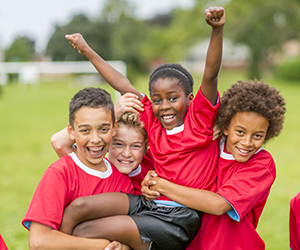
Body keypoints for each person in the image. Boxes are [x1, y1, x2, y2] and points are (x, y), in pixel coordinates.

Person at [58, 6, 225, 250]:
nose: (164, 106)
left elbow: (210, 74)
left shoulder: (199, 123)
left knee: (86, 230)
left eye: (172, 98)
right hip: (148, 203)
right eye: (157, 100)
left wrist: (217, 30)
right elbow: (123, 85)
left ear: (190, 99)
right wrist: (86, 50)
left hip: (179, 218)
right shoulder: (154, 125)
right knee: (78, 209)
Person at [142, 79, 286, 250]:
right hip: (191, 243)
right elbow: (162, 164)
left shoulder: (262, 164)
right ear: (225, 127)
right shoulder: (208, 144)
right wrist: (149, 182)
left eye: (257, 136)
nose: (247, 142)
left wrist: (162, 186)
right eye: (240, 132)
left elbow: (219, 205)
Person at [22, 87, 133, 250]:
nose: (95, 139)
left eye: (103, 129)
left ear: (114, 128)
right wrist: (102, 246)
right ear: (71, 132)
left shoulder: (123, 181)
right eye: (85, 130)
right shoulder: (60, 174)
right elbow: (39, 242)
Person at [51, 97, 154, 195]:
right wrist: (111, 116)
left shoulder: (153, 163)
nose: (126, 154)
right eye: (119, 144)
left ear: (146, 147)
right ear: (107, 143)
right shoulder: (96, 168)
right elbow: (58, 143)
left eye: (135, 146)